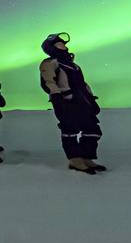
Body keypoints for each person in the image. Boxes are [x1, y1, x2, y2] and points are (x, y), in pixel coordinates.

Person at [39, 32, 106, 174]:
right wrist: (57, 97)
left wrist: (91, 99)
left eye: (63, 44)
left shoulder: (73, 65)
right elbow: (48, 81)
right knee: (70, 130)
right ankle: (75, 160)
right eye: (59, 44)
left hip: (82, 101)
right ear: (51, 48)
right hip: (66, 101)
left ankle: (86, 157)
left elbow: (83, 83)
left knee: (92, 129)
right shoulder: (50, 63)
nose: (63, 46)